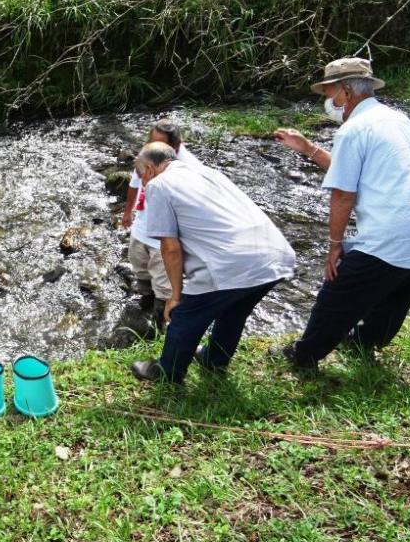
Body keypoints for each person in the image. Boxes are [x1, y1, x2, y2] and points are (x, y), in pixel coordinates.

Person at [273, 57, 410, 370]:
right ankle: (367, 341)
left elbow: (343, 193)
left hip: (397, 228)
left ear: (345, 93)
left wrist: (334, 245)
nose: (328, 101)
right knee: (399, 287)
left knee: (338, 288)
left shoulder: (353, 130)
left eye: (329, 94)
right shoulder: (397, 119)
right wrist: (307, 148)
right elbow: (350, 171)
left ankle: (305, 355)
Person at [129, 143, 296, 384]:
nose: (140, 180)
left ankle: (167, 372)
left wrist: (175, 296)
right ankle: (215, 360)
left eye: (140, 173)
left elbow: (170, 248)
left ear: (151, 168)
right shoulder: (206, 171)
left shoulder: (159, 185)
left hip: (232, 262)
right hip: (274, 255)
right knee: (235, 310)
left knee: (185, 315)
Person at [121, 119, 202, 326]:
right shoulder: (149, 154)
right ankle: (146, 300)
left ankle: (159, 324)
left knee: (164, 287)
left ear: (175, 146)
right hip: (140, 230)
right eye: (151, 140)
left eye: (159, 142)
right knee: (140, 270)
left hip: (163, 241)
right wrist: (127, 212)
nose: (151, 145)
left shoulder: (189, 170)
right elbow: (134, 184)